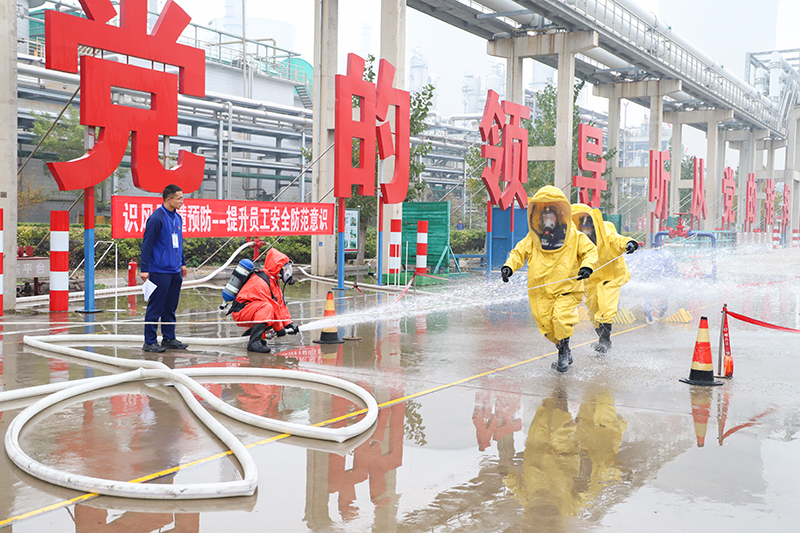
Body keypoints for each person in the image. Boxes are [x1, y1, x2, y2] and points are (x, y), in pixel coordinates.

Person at [500, 186, 598, 372]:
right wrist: (509, 267)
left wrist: (587, 267)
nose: (547, 220)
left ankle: (562, 354)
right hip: (541, 291)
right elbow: (518, 253)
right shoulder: (534, 238)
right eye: (544, 216)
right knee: (547, 325)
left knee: (561, 318)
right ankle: (565, 348)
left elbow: (590, 251)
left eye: (551, 215)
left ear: (559, 216)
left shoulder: (574, 237)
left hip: (567, 289)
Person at [571, 204, 639, 353]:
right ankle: (602, 338)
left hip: (612, 275)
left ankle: (605, 340)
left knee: (606, 303)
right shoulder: (575, 239)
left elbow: (618, 239)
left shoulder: (606, 232)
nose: (585, 228)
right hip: (591, 279)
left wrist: (629, 243)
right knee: (593, 309)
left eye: (588, 223)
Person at [140, 184, 188, 353]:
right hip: (159, 270)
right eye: (179, 198)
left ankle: (169, 338)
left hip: (175, 271)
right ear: (169, 199)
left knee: (170, 307)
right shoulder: (157, 218)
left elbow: (179, 243)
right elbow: (147, 245)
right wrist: (144, 268)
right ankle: (150, 341)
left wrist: (182, 263)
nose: (182, 201)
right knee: (156, 307)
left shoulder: (178, 218)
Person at [230, 248, 299, 354]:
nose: (288, 272)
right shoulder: (261, 281)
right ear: (278, 268)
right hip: (241, 313)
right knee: (266, 308)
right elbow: (272, 306)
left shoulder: (273, 281)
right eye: (286, 269)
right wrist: (279, 328)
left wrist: (288, 324)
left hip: (252, 310)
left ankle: (252, 335)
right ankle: (253, 343)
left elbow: (280, 305)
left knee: (268, 310)